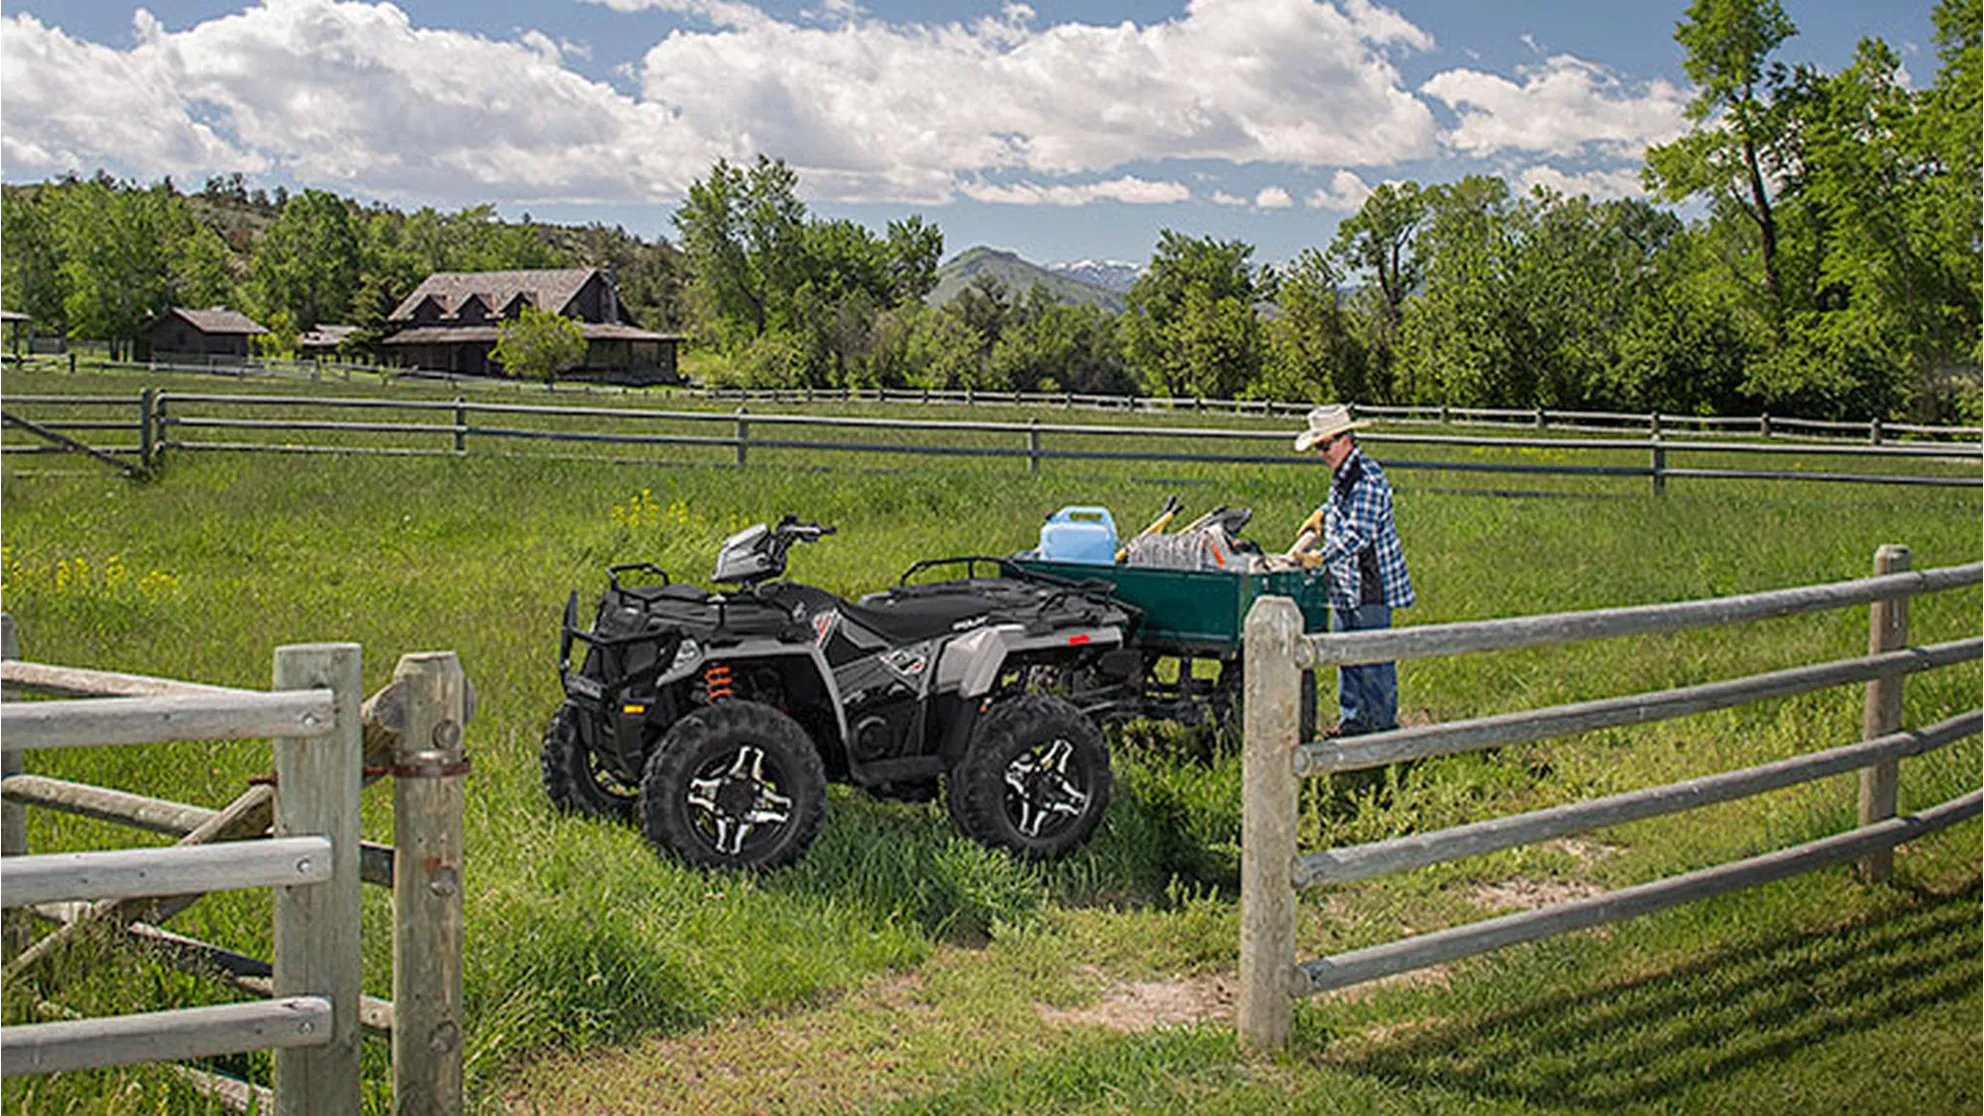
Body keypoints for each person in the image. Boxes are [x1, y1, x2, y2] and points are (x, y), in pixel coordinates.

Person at [1292, 404, 1414, 735]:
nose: (1322, 453)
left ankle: (1382, 728)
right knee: (1345, 655)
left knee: (1373, 658)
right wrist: (1322, 514)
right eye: (1319, 447)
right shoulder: (1344, 475)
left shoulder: (1368, 478)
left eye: (1325, 445)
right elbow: (1338, 509)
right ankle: (1353, 722)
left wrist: (1319, 557)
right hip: (1346, 582)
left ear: (1346, 439)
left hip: (1370, 582)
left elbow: (1358, 534)